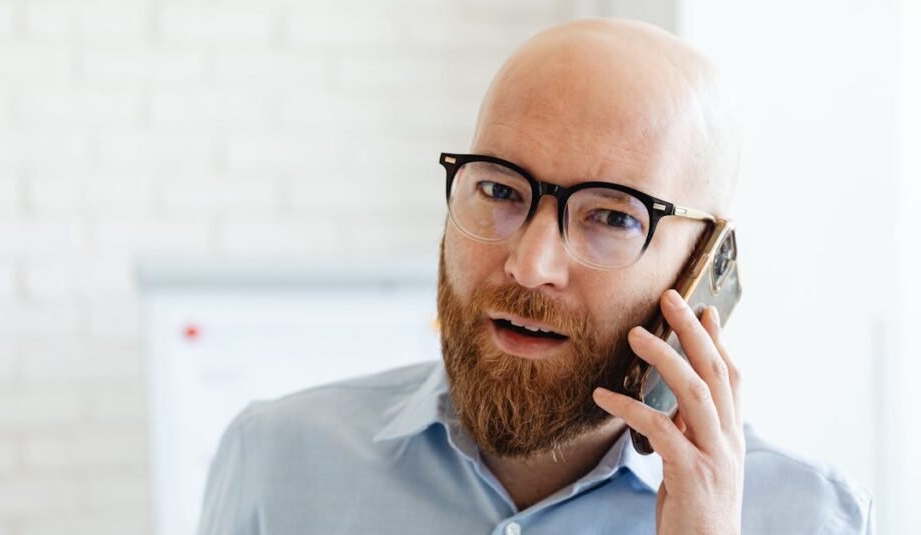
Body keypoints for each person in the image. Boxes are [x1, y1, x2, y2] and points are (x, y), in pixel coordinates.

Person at [197, 19, 872, 534]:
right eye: (498, 190)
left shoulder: (812, 517)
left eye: (612, 216)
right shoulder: (273, 461)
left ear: (704, 266)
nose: (530, 264)